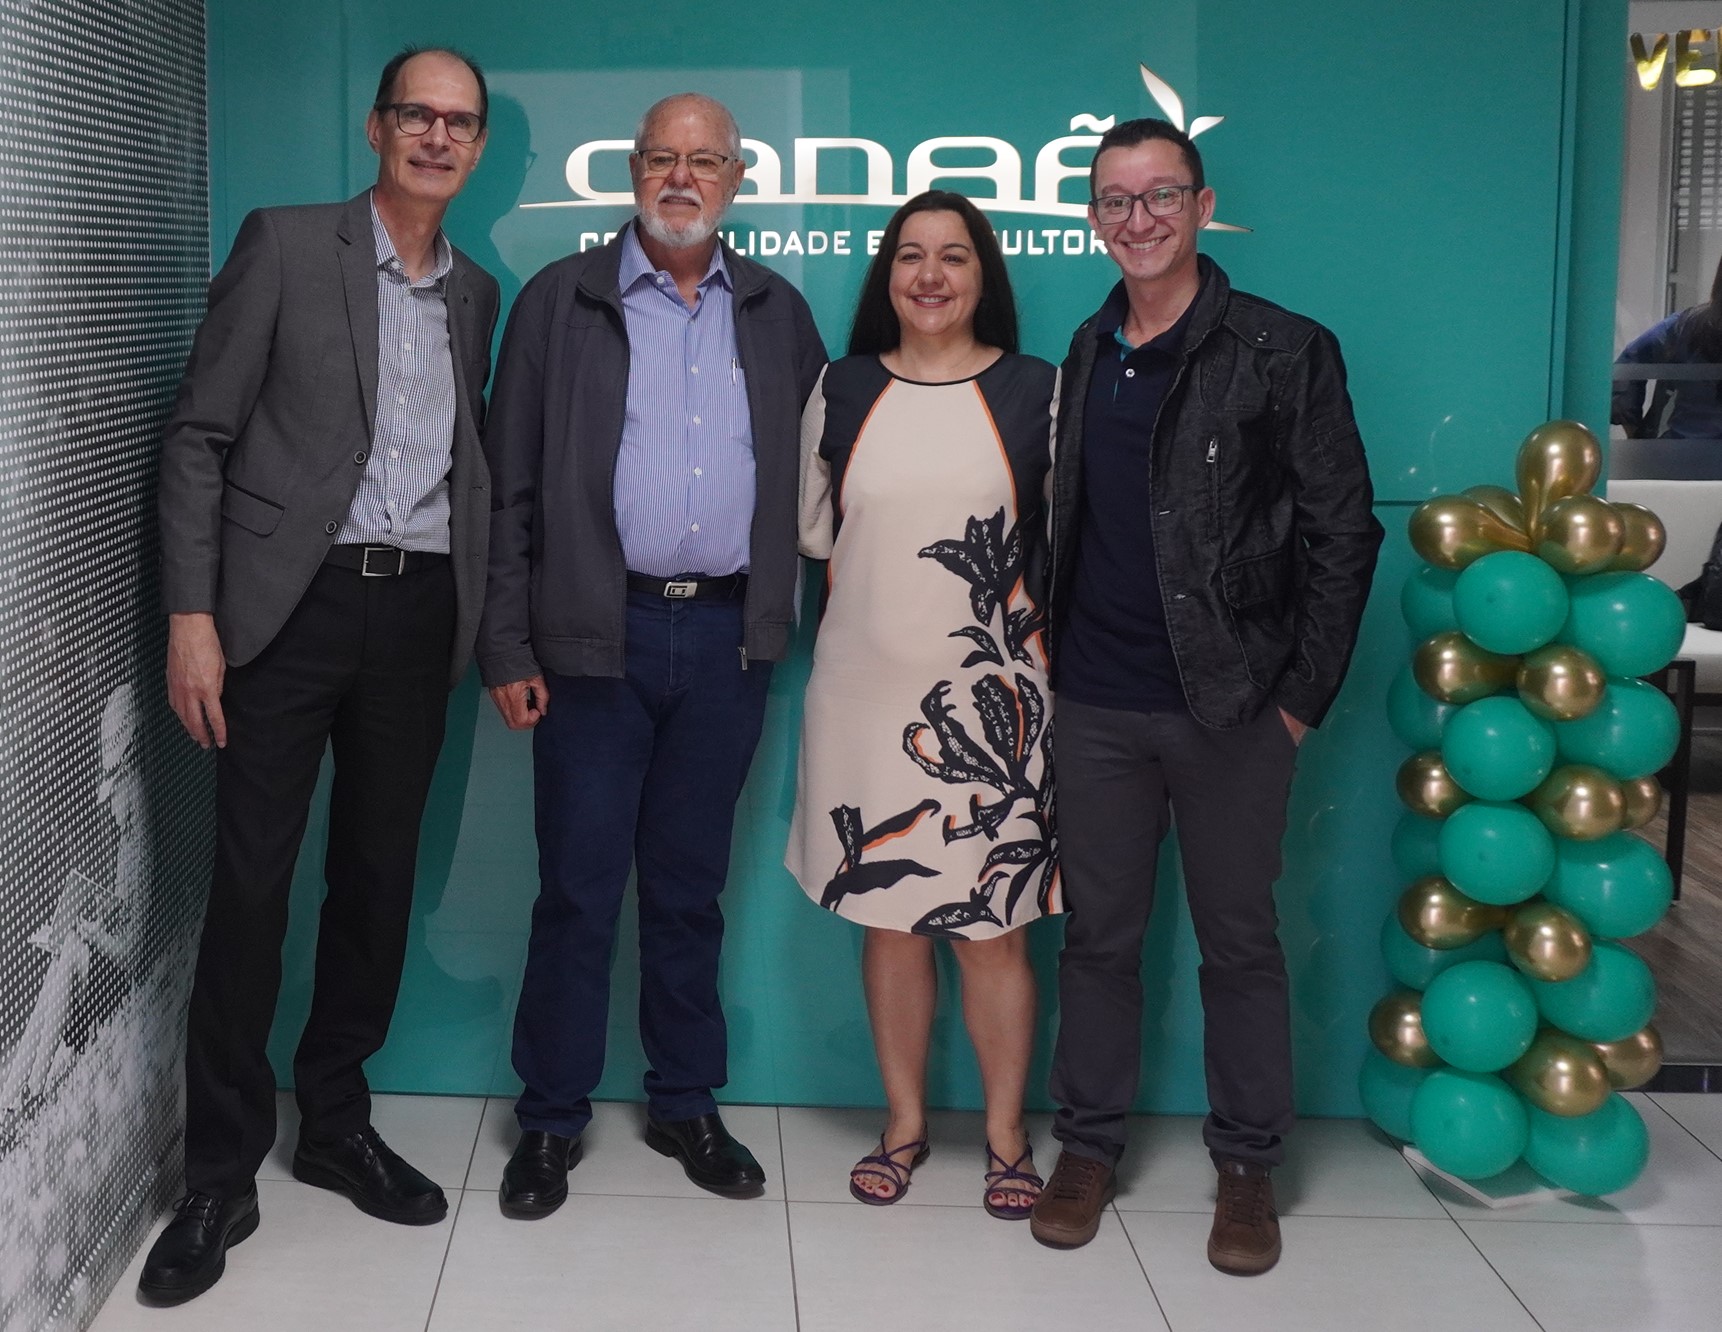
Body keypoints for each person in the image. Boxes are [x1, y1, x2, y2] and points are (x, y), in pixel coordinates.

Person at [144, 47, 499, 1305]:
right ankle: (219, 1173)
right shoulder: (289, 245)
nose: (438, 138)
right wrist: (194, 616)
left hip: (416, 615)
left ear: (478, 145)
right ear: (376, 126)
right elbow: (198, 437)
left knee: (376, 882)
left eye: (460, 123)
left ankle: (336, 1122)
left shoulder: (477, 293)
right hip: (283, 615)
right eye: (418, 115)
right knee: (252, 886)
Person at [1027, 119, 1382, 1274]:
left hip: (1233, 708)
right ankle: (1087, 1148)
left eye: (1160, 196)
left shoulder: (1283, 350)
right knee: (1098, 942)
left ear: (1202, 205)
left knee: (1239, 945)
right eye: (1116, 200)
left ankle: (1247, 1168)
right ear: (1095, 216)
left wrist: (1298, 700)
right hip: (1096, 703)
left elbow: (1344, 535)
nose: (1138, 220)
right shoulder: (1088, 347)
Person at [480, 93, 826, 1217]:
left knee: (689, 890)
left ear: (737, 179)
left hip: (726, 640)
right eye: (663, 158)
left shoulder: (776, 313)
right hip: (594, 637)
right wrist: (505, 643)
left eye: (705, 160)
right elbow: (506, 487)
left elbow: (824, 484)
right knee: (578, 892)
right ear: (633, 171)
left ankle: (685, 1100)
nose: (683, 177)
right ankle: (550, 1118)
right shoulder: (561, 300)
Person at [787, 192, 1056, 1217]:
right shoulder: (842, 388)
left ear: (984, 276)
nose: (930, 276)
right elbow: (816, 533)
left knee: (994, 927)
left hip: (998, 711)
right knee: (889, 920)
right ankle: (902, 1125)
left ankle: (1006, 1137)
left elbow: (1066, 543)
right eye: (910, 256)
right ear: (887, 276)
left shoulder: (1037, 392)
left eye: (953, 256)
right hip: (863, 698)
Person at [1613, 254, 1722, 440]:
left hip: (1680, 450)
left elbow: (1627, 366)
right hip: (1681, 451)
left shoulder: (1684, 325)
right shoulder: (1685, 325)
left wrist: (1638, 437)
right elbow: (1627, 367)